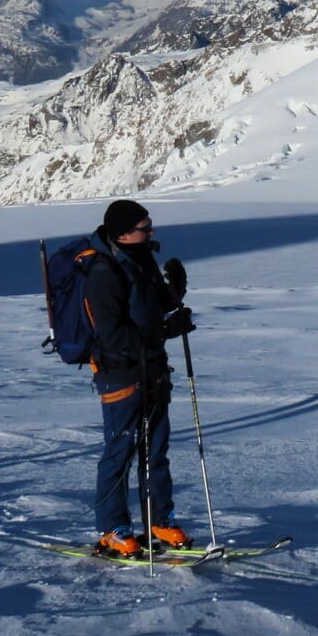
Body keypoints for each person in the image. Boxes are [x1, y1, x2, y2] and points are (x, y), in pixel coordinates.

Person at [83, 198, 196, 557]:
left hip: (154, 371)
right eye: (144, 228)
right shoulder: (103, 273)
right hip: (121, 375)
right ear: (122, 234)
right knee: (119, 452)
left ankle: (159, 521)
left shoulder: (141, 259)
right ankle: (113, 529)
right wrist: (162, 331)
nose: (151, 232)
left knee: (155, 451)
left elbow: (150, 308)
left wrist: (175, 294)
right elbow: (112, 334)